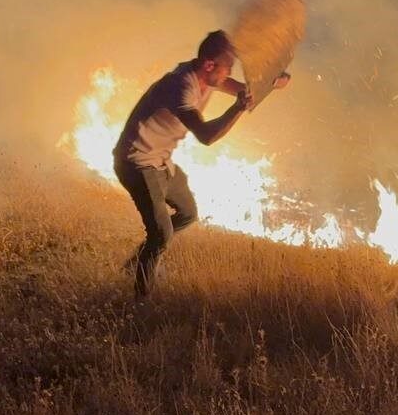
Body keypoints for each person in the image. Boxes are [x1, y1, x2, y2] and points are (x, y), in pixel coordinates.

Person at [113, 30, 290, 298]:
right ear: (209, 64)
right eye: (227, 67)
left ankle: (136, 264)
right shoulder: (182, 86)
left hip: (160, 161)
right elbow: (206, 136)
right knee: (161, 235)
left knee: (187, 213)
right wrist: (237, 109)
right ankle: (140, 301)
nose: (229, 73)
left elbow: (239, 88)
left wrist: (269, 84)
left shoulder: (206, 76)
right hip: (137, 163)